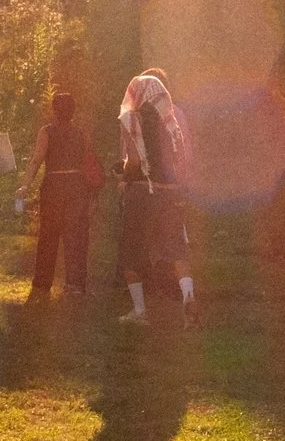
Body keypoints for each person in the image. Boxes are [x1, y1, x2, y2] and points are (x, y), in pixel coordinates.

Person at [117, 70, 195, 325]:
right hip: (171, 192)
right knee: (177, 249)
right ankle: (188, 299)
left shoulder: (131, 117)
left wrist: (123, 174)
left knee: (131, 251)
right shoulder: (172, 119)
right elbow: (183, 158)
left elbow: (136, 161)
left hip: (142, 191)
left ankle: (140, 310)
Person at [26, 93, 99, 298]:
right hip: (77, 186)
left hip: (53, 185)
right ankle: (75, 283)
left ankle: (42, 281)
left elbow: (36, 159)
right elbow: (88, 161)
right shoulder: (81, 133)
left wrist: (25, 185)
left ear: (54, 110)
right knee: (76, 236)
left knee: (48, 234)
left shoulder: (47, 131)